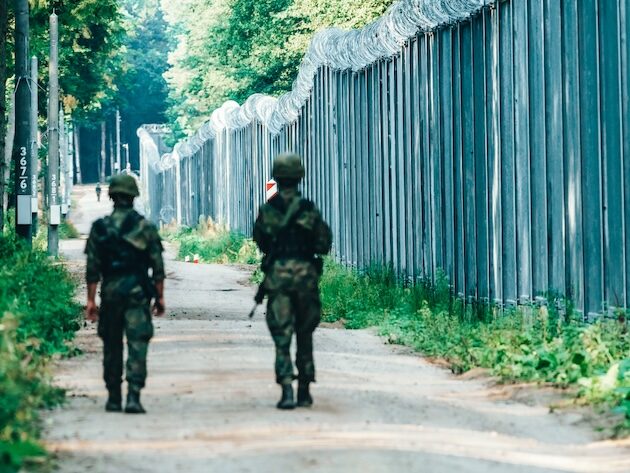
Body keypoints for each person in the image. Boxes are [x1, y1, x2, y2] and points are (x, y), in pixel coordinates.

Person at [253, 153, 332, 409]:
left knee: (282, 334)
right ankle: (305, 390)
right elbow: (324, 244)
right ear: (300, 177)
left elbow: (262, 243)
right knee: (305, 333)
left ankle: (286, 389)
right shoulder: (308, 209)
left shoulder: (268, 210)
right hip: (305, 278)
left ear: (276, 177)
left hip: (278, 278)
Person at [85, 174, 165, 414]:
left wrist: (90, 300)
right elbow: (158, 268)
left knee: (111, 344)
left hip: (110, 293)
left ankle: (112, 396)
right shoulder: (145, 227)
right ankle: (133, 396)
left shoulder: (100, 228)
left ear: (111, 196)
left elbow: (92, 269)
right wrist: (160, 297)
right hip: (138, 293)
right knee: (137, 342)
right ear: (133, 197)